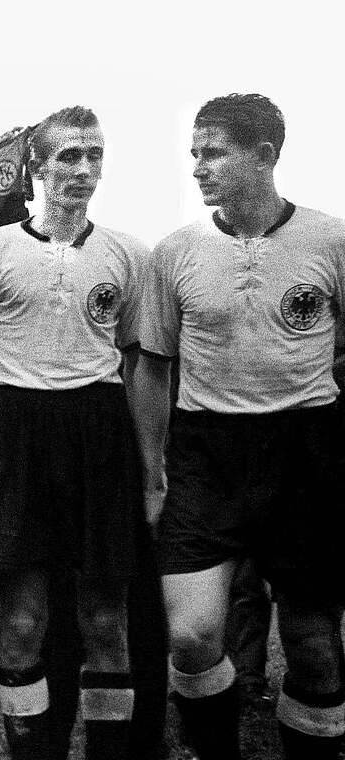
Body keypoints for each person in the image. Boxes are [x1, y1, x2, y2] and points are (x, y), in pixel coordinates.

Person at [133, 92, 345, 760]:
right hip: (207, 453)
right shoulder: (175, 252)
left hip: (306, 449)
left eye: (214, 151)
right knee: (193, 636)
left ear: (265, 155)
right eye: (194, 152)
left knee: (313, 646)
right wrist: (152, 474)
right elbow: (151, 368)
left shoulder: (331, 241)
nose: (198, 167)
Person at [0, 106, 150, 760]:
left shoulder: (129, 253)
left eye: (94, 155)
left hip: (99, 429)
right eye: (69, 156)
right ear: (36, 167)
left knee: (105, 620)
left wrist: (148, 469)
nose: (83, 169)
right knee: (21, 623)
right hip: (18, 430)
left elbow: (137, 360)